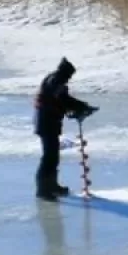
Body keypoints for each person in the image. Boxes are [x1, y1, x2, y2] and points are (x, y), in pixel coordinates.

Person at [33, 57, 97, 201]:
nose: (69, 79)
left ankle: (52, 186)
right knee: (49, 157)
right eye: (69, 75)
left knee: (53, 157)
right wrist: (82, 106)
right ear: (65, 72)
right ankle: (43, 189)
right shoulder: (55, 81)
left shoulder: (55, 80)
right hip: (46, 123)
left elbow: (64, 99)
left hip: (49, 123)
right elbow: (63, 100)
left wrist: (82, 106)